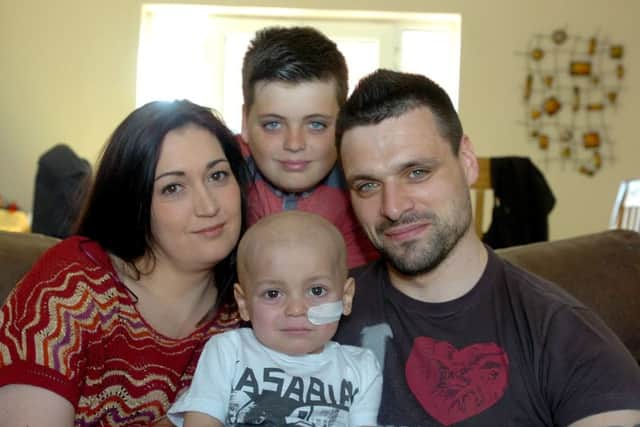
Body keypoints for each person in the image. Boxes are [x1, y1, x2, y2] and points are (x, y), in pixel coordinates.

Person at [333, 69, 640, 426]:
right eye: (368, 185)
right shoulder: (315, 313)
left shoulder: (563, 335)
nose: (393, 207)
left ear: (466, 161)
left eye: (417, 172)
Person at [0, 100, 250, 426]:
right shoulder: (72, 289)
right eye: (173, 188)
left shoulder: (250, 309)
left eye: (217, 175)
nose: (208, 206)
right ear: (135, 202)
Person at [167, 211, 382, 427]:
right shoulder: (228, 351)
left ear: (346, 298)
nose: (296, 309)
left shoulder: (360, 369)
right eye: (273, 294)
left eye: (316, 291)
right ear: (243, 304)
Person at [239, 26, 378, 269]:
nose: (294, 144)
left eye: (316, 124)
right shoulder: (222, 170)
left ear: (342, 124)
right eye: (273, 124)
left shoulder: (363, 190)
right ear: (245, 123)